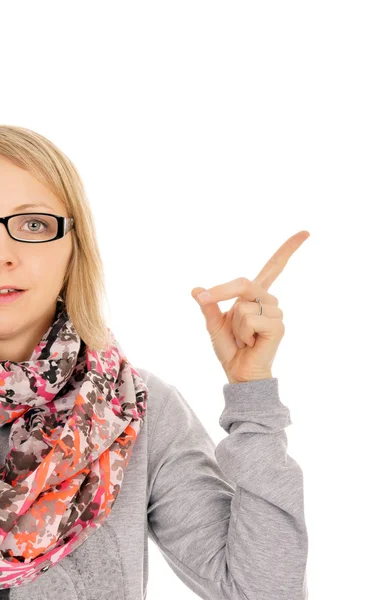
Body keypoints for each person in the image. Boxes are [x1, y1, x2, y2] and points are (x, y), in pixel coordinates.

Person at [0, 124, 308, 599]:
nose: (3, 253)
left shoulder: (127, 409)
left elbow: (261, 591)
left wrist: (253, 396)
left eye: (33, 224)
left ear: (72, 248)